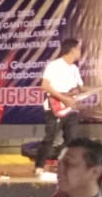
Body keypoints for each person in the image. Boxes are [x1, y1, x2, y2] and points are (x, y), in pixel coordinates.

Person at [35, 39, 86, 176]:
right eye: (78, 49)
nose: (80, 52)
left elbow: (81, 88)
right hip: (55, 107)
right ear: (72, 50)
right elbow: (45, 86)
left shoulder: (74, 68)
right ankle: (39, 166)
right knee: (50, 138)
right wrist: (63, 99)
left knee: (72, 139)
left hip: (70, 108)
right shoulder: (54, 66)